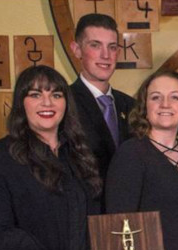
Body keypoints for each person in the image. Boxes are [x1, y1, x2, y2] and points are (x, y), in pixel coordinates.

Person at [0, 65, 102, 250]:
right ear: (21, 104)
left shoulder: (80, 156)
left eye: (56, 94)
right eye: (36, 94)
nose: (47, 102)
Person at [105, 70, 178, 250]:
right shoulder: (131, 154)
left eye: (174, 97)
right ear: (144, 108)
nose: (165, 104)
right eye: (156, 97)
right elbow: (119, 224)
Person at [70, 13, 135, 184]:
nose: (105, 55)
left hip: (128, 208)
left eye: (112, 47)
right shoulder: (64, 104)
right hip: (83, 207)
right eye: (95, 45)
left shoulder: (131, 106)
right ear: (77, 50)